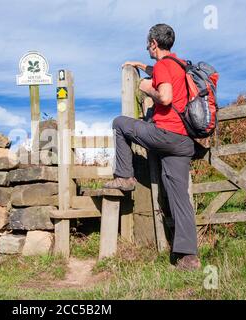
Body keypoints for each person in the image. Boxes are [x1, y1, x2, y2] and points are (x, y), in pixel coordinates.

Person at [104, 23, 200, 270]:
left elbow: (165, 96)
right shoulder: (178, 64)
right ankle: (189, 258)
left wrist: (147, 87)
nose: (147, 46)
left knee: (120, 123)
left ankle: (125, 176)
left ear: (153, 44)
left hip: (165, 134)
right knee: (180, 199)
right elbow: (162, 73)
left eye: (148, 43)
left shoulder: (164, 66)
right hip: (182, 142)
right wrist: (140, 66)